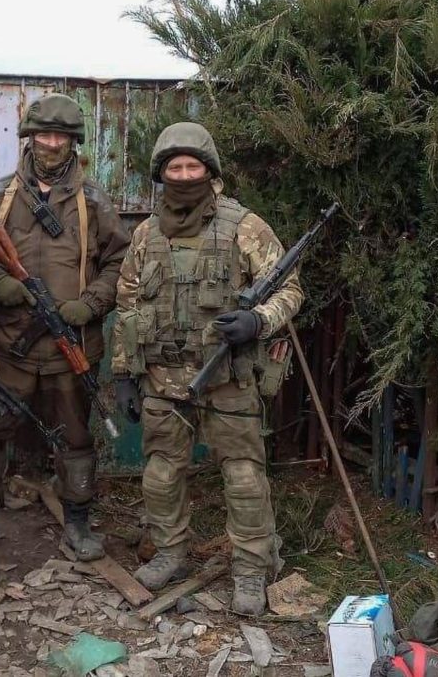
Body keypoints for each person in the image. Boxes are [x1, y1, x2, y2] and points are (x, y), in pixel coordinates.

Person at [110, 122, 303, 615]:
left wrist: (258, 320)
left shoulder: (244, 227)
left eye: (192, 166)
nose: (183, 175)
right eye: (174, 167)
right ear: (161, 173)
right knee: (159, 475)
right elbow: (127, 305)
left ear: (209, 170)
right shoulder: (145, 234)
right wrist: (124, 374)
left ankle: (250, 570)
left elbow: (290, 289)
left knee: (243, 478)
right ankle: (170, 553)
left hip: (227, 378)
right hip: (163, 379)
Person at [0, 93, 130, 561]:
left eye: (60, 136)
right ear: (29, 138)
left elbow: (120, 262)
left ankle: (77, 522)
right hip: (8, 346)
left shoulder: (94, 202)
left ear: (73, 142)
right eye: (43, 134)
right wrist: (0, 282)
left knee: (75, 438)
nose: (51, 144)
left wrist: (89, 305)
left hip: (69, 345)